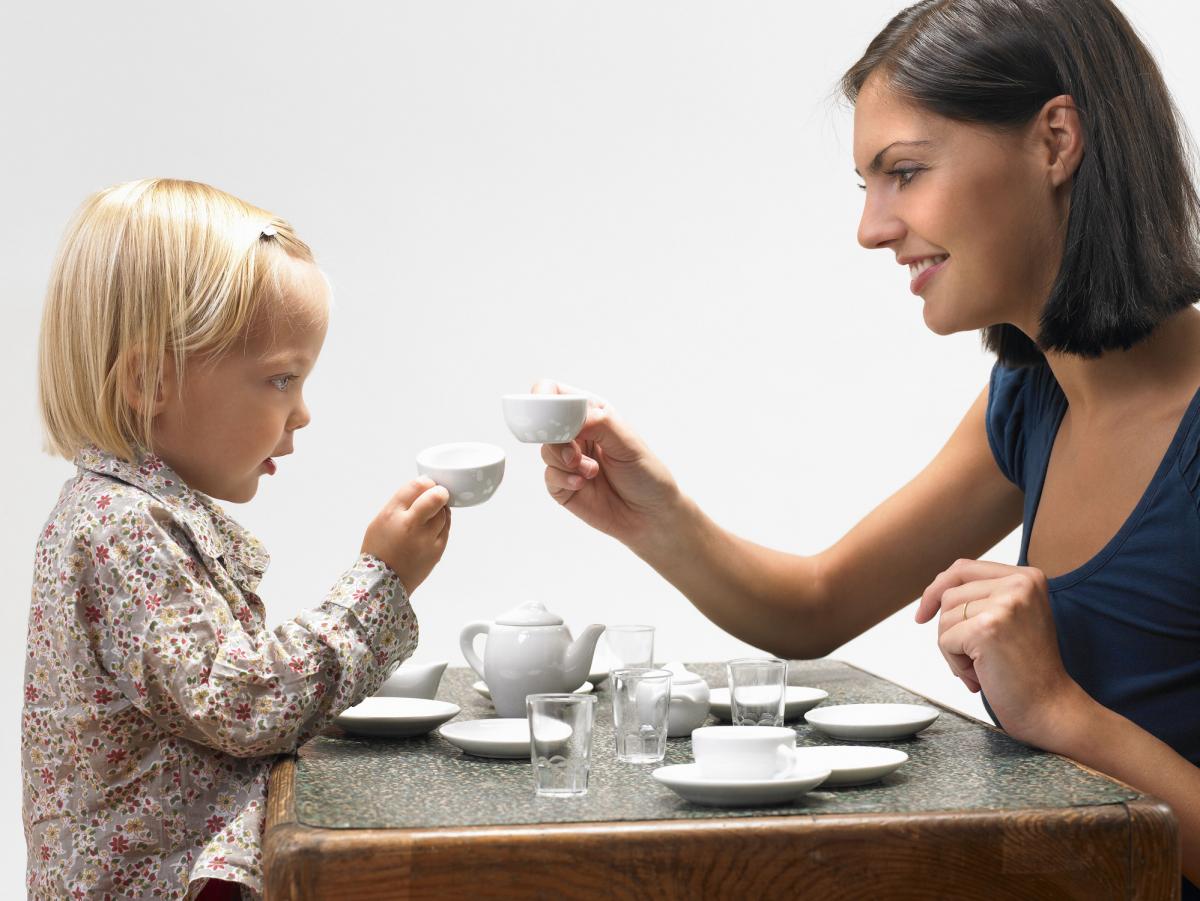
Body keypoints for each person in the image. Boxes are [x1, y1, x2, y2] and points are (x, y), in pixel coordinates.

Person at [535, 0, 1200, 894]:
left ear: (1055, 141)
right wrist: (649, 515)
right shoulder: (1031, 401)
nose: (873, 228)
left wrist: (1055, 708)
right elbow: (817, 605)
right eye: (868, 186)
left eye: (906, 172)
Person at [23, 178, 452, 900]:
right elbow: (247, 703)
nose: (302, 412)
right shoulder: (120, 528)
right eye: (282, 379)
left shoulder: (124, 514)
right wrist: (380, 582)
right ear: (150, 380)